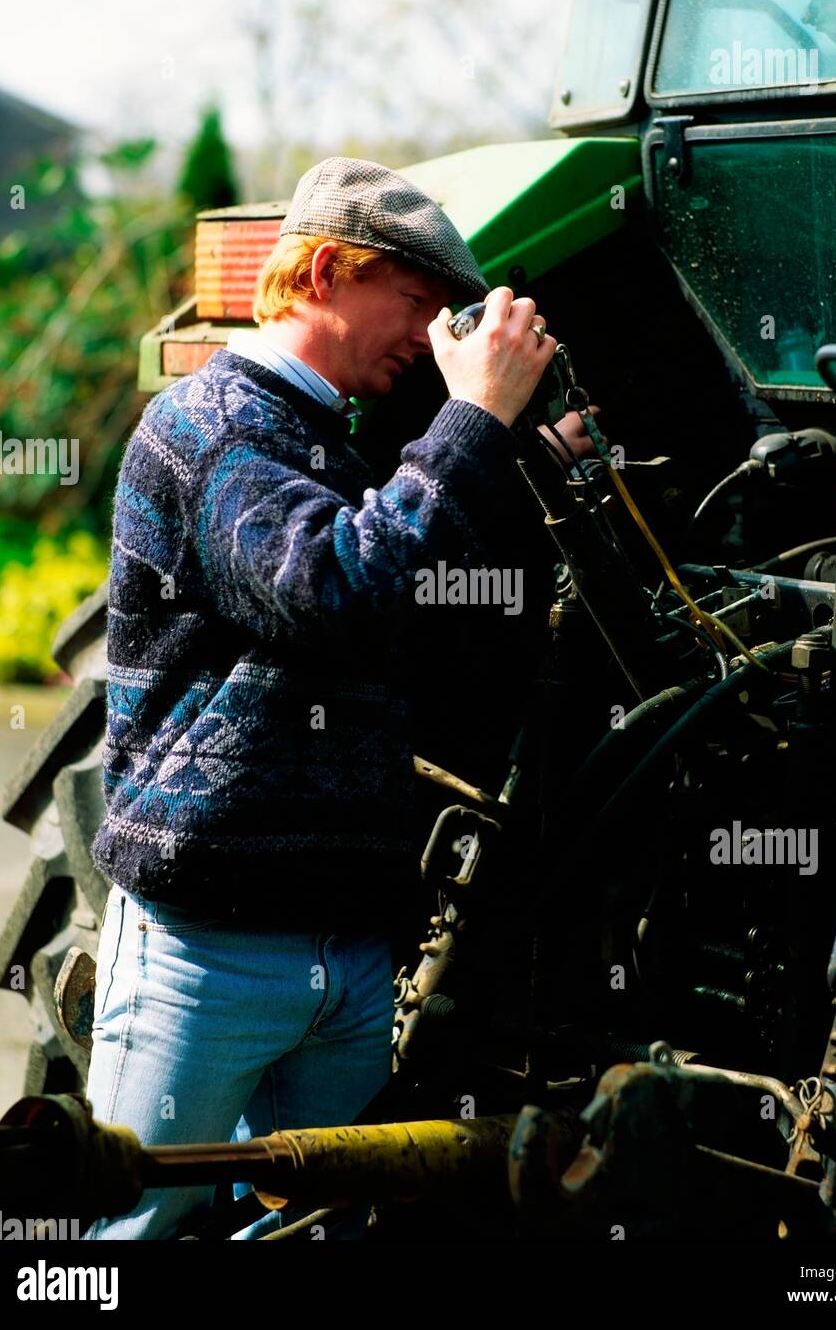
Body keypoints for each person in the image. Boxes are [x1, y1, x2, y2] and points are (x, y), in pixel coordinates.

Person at [81, 156, 596, 1239]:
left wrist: (518, 454)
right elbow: (338, 586)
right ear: (323, 271)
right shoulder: (214, 423)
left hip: (345, 953)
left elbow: (414, 563)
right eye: (412, 302)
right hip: (207, 953)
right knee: (123, 1235)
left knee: (326, 1233)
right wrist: (478, 419)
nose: (428, 332)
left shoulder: (326, 439)